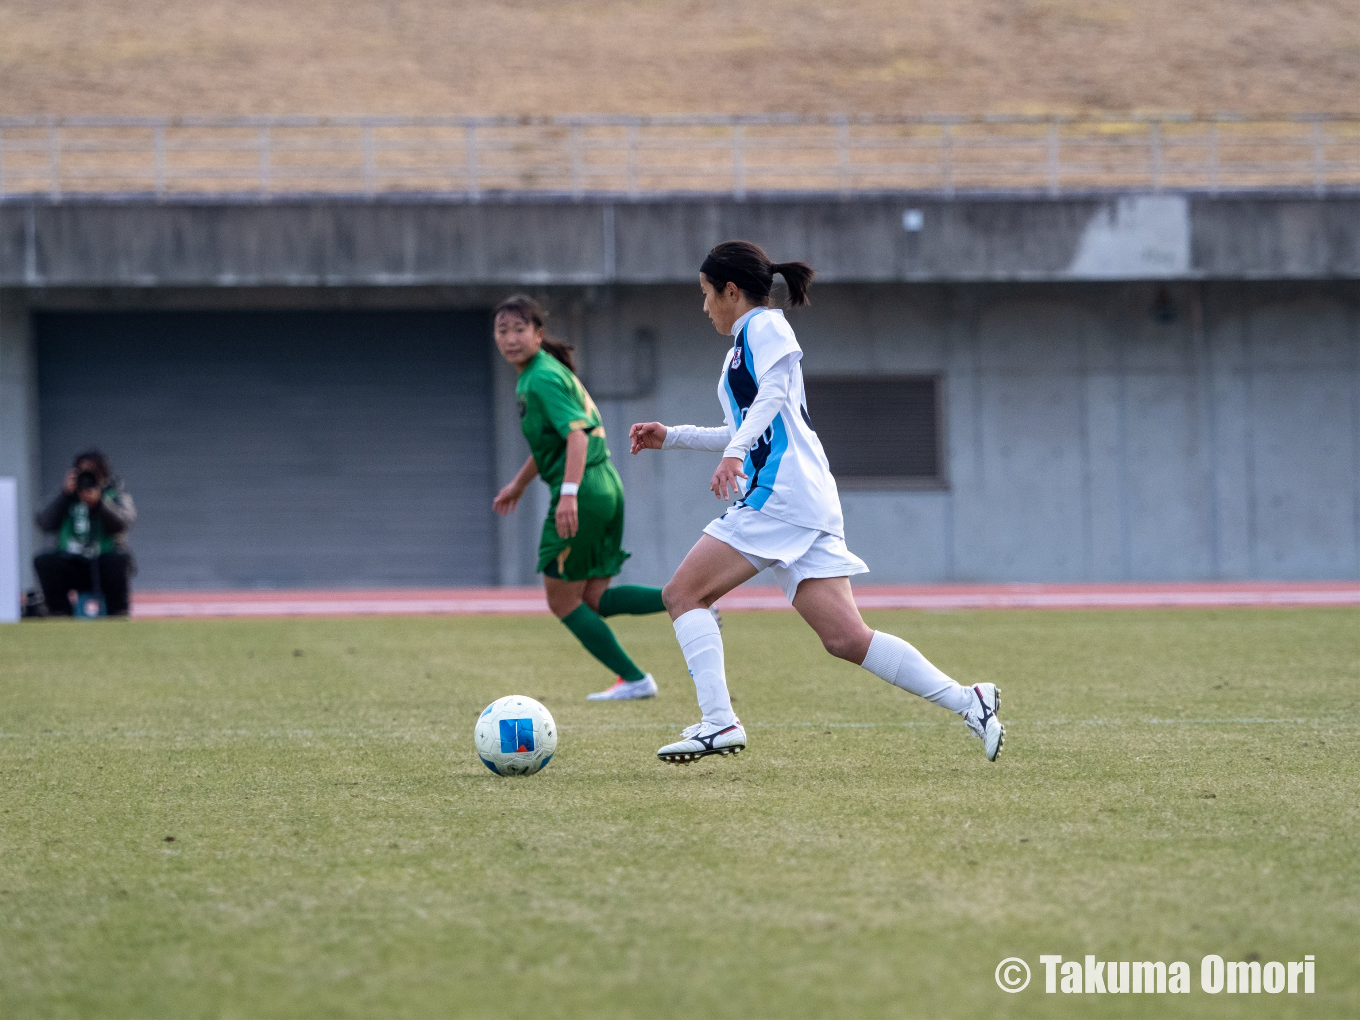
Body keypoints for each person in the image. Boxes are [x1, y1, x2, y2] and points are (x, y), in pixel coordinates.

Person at [629, 240, 1004, 764]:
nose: (704, 305)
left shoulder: (765, 326)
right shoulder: (741, 346)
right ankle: (970, 700)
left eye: (707, 293)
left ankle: (719, 723)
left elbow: (772, 397)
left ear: (731, 291)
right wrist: (672, 437)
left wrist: (734, 456)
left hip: (780, 494)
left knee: (683, 594)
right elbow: (747, 428)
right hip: (802, 498)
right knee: (846, 639)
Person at [492, 295, 674, 701]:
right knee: (594, 598)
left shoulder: (540, 377)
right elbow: (553, 444)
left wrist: (568, 494)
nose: (510, 338)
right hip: (604, 484)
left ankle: (637, 676)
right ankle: (687, 602)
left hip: (584, 489)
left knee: (562, 601)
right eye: (502, 331)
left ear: (538, 333)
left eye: (519, 329)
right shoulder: (541, 372)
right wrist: (519, 484)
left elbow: (577, 437)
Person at [34, 450, 137, 617]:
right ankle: (59, 614)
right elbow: (44, 522)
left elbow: (123, 523)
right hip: (71, 563)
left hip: (104, 563)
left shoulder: (115, 494)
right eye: (82, 472)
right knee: (45, 561)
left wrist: (99, 504)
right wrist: (65, 495)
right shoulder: (66, 496)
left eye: (93, 473)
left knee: (119, 560)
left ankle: (118, 613)